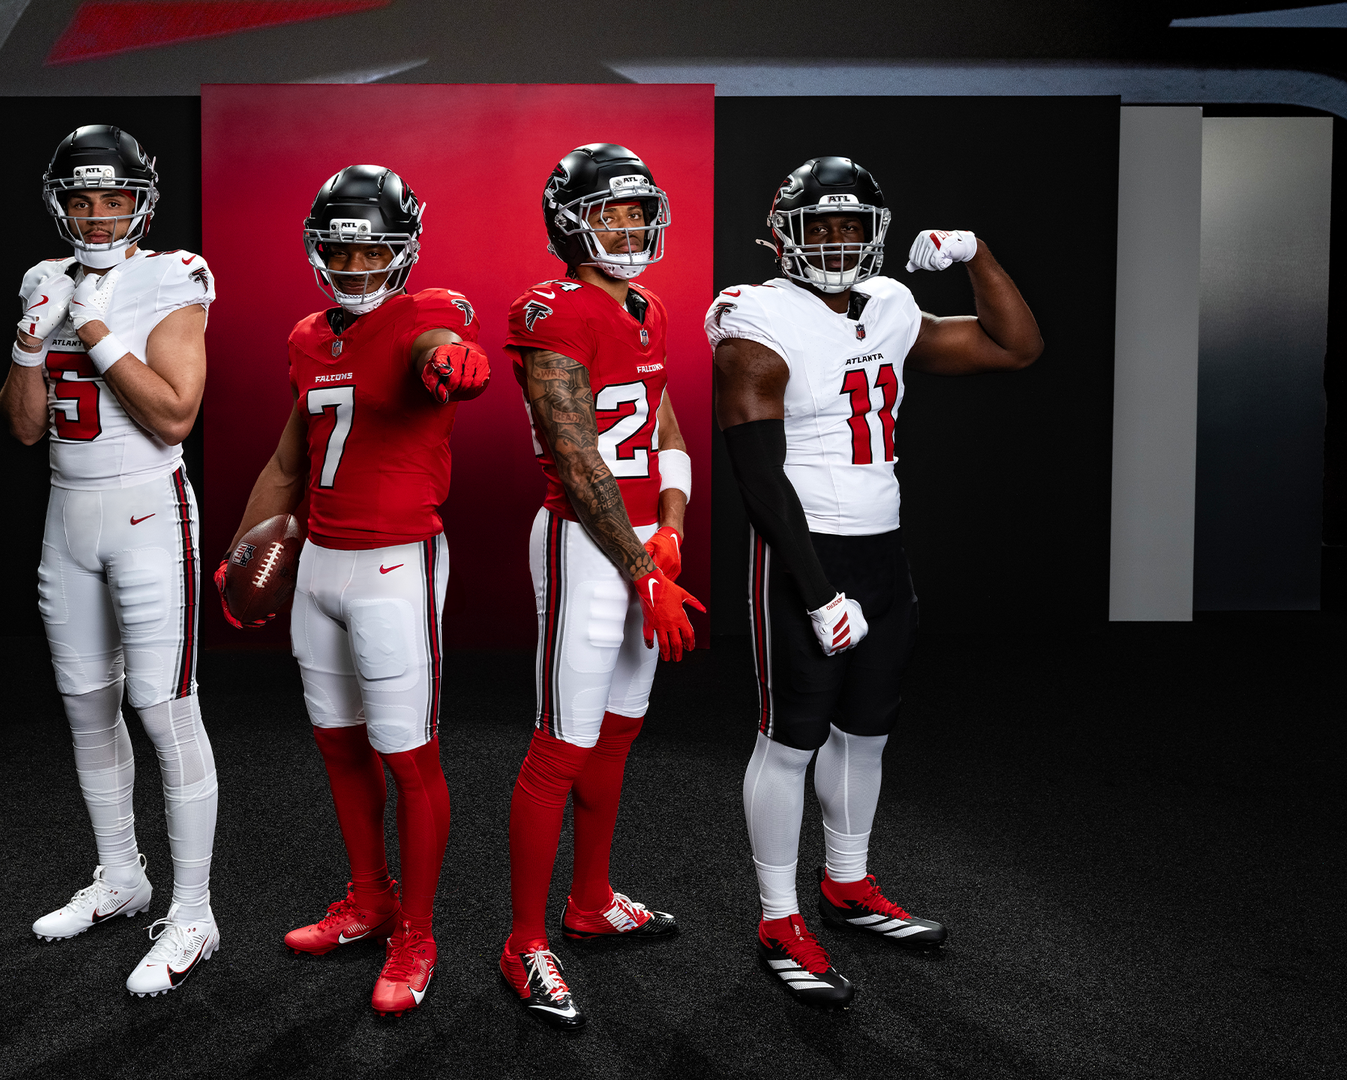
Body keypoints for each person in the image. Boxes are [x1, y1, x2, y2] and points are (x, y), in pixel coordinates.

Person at [708, 156, 1043, 1009]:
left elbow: (1016, 346)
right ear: (782, 231)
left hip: (882, 549)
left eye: (849, 227)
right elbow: (759, 479)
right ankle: (778, 917)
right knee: (790, 741)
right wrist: (818, 594)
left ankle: (846, 885)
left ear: (876, 234)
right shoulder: (757, 321)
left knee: (867, 733)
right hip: (804, 552)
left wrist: (977, 252)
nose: (834, 242)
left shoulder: (892, 306)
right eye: (817, 226)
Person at [222, 165, 488, 1016]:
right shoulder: (308, 335)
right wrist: (238, 556)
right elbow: (286, 462)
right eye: (341, 244)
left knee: (407, 754)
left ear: (404, 247)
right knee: (338, 743)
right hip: (320, 567)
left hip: (394, 564)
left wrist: (455, 364)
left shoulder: (428, 312)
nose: (357, 260)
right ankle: (369, 898)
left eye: (374, 244)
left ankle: (417, 929)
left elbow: (437, 349)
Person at [0, 125, 221, 997]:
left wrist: (88, 327)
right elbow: (22, 425)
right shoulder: (39, 279)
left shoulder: (174, 274)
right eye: (83, 199)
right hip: (65, 513)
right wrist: (27, 344)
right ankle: (122, 878)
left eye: (115, 198)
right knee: (88, 710)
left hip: (147, 511)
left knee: (163, 711)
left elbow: (173, 415)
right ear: (60, 201)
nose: (98, 216)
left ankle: (194, 913)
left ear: (143, 200)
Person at [498, 144, 704, 1030]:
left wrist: (674, 524)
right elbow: (578, 460)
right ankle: (523, 941)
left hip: (636, 546)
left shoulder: (647, 306)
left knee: (619, 731)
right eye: (609, 214)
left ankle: (590, 900)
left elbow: (661, 421)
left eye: (636, 212)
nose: (627, 228)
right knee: (562, 742)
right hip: (585, 549)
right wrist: (639, 567)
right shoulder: (549, 310)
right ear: (569, 223)